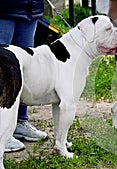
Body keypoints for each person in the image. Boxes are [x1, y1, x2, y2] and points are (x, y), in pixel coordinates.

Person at [0, 0, 47, 152]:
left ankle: (20, 121)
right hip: (4, 8)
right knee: (2, 67)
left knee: (25, 66)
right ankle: (2, 131)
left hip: (30, 9)